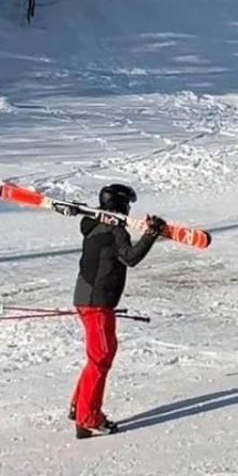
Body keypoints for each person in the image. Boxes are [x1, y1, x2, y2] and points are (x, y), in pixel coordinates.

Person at [70, 183, 162, 437]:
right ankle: (88, 417)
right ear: (121, 205)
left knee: (97, 356)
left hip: (86, 298)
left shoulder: (93, 225)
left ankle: (79, 406)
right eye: (128, 205)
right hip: (97, 302)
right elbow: (130, 257)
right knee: (101, 358)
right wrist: (151, 235)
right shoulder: (114, 228)